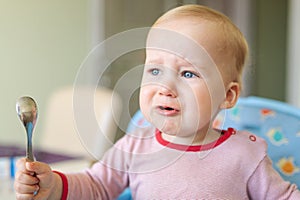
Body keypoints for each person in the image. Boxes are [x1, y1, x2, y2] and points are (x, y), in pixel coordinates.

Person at [14, 4, 300, 199]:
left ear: (228, 96)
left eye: (188, 73)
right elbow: (96, 186)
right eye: (155, 70)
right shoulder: (135, 146)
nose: (166, 86)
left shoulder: (245, 154)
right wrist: (51, 184)